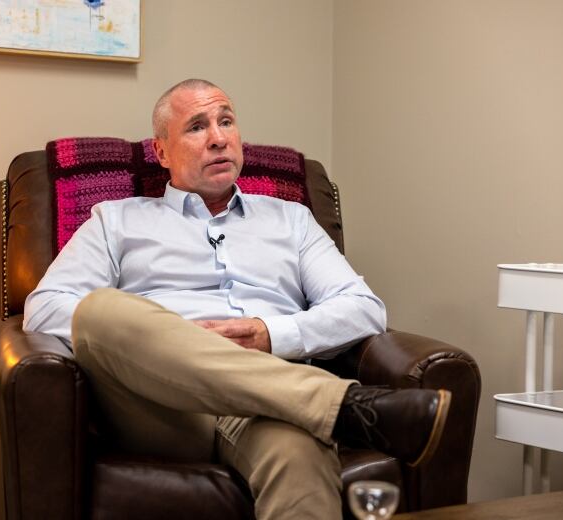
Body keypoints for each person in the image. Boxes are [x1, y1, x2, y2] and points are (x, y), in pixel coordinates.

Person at [24, 79, 450, 519]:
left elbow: (363, 308)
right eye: (196, 127)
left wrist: (272, 334)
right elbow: (44, 307)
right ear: (162, 152)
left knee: (299, 456)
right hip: (164, 408)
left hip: (269, 407)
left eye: (226, 121)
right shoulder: (116, 220)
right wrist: (174, 341)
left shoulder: (293, 220)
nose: (218, 137)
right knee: (100, 311)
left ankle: (327, 409)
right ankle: (341, 405)